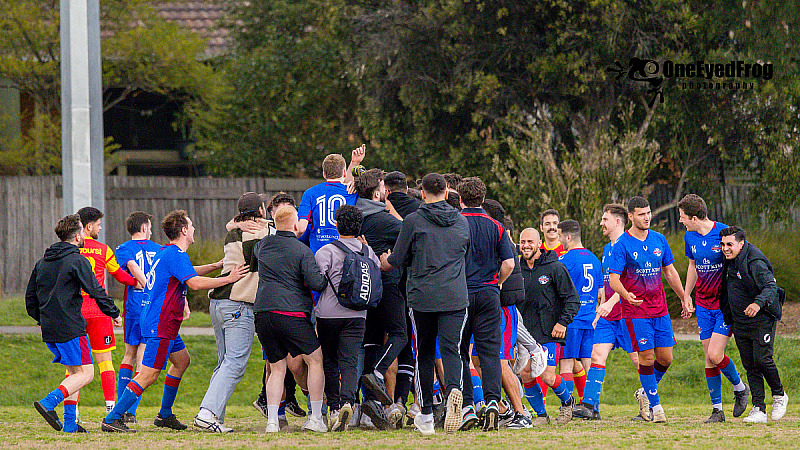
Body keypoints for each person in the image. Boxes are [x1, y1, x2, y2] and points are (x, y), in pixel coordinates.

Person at [102, 210, 247, 432]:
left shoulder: (169, 253)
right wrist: (228, 279)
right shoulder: (174, 254)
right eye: (191, 226)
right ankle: (113, 418)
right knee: (148, 374)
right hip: (160, 322)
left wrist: (216, 266)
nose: (194, 229)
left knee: (182, 361)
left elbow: (186, 273)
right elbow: (195, 283)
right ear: (183, 230)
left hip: (163, 322)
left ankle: (165, 415)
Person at [380, 173, 471, 436]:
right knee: (452, 349)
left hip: (422, 296)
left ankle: (427, 414)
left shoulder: (413, 221)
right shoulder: (462, 222)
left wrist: (386, 260)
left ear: (422, 194)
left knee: (425, 353)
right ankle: (455, 390)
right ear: (446, 192)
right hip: (454, 294)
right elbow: (467, 254)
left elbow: (397, 258)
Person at [26, 214, 123, 433]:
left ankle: (70, 423)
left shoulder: (42, 262)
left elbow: (30, 299)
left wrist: (42, 319)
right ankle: (49, 402)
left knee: (74, 373)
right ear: (78, 235)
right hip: (70, 326)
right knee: (86, 374)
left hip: (50, 327)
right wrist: (113, 312)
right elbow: (95, 289)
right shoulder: (77, 260)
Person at [607, 196, 691, 423]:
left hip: (660, 310)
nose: (647, 217)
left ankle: (645, 392)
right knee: (646, 357)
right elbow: (613, 280)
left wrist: (684, 297)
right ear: (631, 217)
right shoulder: (622, 244)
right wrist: (626, 295)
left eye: (648, 213)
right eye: (641, 214)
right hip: (636, 312)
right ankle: (656, 408)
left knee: (666, 358)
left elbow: (670, 273)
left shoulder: (659, 240)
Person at [194, 193, 272, 433]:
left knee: (224, 362)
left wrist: (234, 222)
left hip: (219, 303)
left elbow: (233, 224)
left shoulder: (233, 232)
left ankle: (213, 414)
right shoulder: (262, 231)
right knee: (236, 363)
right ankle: (206, 415)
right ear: (260, 210)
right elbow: (288, 227)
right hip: (239, 303)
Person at [252, 205, 329, 433]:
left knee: (276, 368)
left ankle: (272, 422)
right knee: (315, 359)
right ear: (296, 225)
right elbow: (317, 283)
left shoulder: (262, 246)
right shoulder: (301, 250)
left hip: (263, 314)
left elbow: (256, 251)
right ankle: (316, 417)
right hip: (291, 313)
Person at [678, 194, 749, 423]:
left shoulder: (724, 233)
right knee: (709, 359)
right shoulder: (689, 236)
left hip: (724, 304)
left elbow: (740, 259)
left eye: (683, 217)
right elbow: (692, 265)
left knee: (715, 354)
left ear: (695, 217)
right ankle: (717, 410)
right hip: (703, 304)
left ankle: (740, 388)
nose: (681, 221)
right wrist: (686, 295)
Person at [455, 179, 515, 432]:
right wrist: (497, 283)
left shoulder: (456, 223)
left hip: (461, 293)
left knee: (460, 351)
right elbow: (510, 263)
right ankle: (492, 402)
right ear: (482, 198)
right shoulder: (497, 226)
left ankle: (469, 405)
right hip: (489, 293)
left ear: (460, 199)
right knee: (490, 352)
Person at [573, 204, 643, 420]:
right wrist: (599, 311)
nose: (601, 223)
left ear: (618, 222)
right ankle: (590, 405)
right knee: (596, 355)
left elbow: (630, 284)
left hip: (628, 314)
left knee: (640, 361)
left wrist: (612, 303)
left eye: (605, 219)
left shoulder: (629, 246)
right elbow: (607, 284)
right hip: (608, 316)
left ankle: (650, 405)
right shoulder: (606, 249)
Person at [315, 205, 380, 431]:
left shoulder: (326, 252)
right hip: (358, 315)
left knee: (330, 361)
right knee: (350, 361)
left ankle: (333, 407)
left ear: (336, 224)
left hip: (328, 315)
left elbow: (317, 281)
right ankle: (348, 402)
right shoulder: (368, 252)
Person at [355, 169, 407, 429]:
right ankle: (378, 371)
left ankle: (365, 407)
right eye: (384, 189)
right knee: (400, 334)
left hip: (361, 287)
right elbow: (410, 235)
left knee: (370, 342)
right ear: (377, 193)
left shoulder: (353, 218)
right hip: (387, 285)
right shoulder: (387, 222)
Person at [719, 226, 788, 423]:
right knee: (750, 364)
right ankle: (759, 408)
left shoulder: (754, 260)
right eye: (723, 244)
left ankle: (779, 395)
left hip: (761, 319)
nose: (725, 248)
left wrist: (757, 304)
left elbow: (770, 286)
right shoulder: (729, 261)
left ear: (741, 244)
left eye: (730, 244)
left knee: (762, 359)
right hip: (740, 321)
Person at [76, 206, 139, 413]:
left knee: (75, 366)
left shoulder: (70, 249)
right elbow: (119, 275)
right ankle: (110, 409)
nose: (100, 228)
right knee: (105, 363)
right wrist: (137, 282)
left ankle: (72, 412)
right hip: (99, 312)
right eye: (98, 225)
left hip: (74, 312)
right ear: (88, 226)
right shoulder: (104, 250)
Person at [516, 227, 580, 425]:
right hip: (525, 334)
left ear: (538, 244)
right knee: (525, 373)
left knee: (547, 376)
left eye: (530, 242)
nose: (526, 246)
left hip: (549, 332)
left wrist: (562, 322)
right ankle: (542, 415)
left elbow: (572, 300)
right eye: (523, 242)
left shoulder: (555, 267)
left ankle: (567, 401)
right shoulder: (516, 268)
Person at [482, 200, 531, 429]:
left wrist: (497, 285)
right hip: (493, 307)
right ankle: (502, 407)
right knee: (479, 358)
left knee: (500, 360)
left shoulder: (501, 239)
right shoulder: (497, 237)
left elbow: (508, 268)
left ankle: (522, 413)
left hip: (504, 309)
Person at [113, 212, 159, 424]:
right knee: (142, 354)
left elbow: (131, 267)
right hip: (151, 305)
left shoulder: (122, 249)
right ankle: (130, 410)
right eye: (149, 227)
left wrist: (142, 282)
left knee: (129, 354)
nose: (150, 230)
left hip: (133, 306)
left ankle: (121, 407)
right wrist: (150, 285)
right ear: (143, 228)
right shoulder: (159, 249)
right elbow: (137, 269)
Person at [555, 220, 602, 408]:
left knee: (566, 363)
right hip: (590, 319)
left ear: (568, 237)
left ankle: (567, 406)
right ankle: (593, 405)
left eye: (560, 236)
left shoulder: (564, 261)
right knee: (588, 363)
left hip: (571, 320)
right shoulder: (594, 259)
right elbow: (600, 293)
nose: (559, 240)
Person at [297, 147, 364, 253]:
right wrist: (354, 163)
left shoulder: (310, 193)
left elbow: (301, 229)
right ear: (344, 172)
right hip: (346, 255)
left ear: (324, 174)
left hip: (319, 254)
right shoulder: (353, 192)